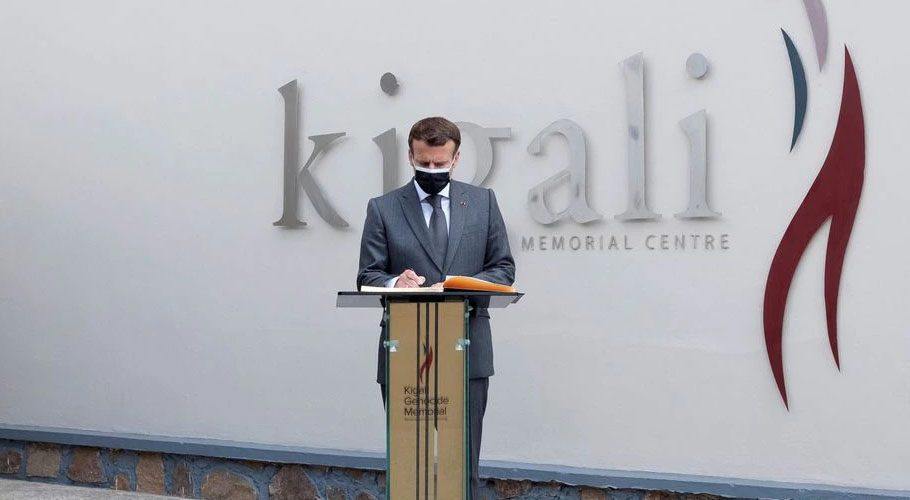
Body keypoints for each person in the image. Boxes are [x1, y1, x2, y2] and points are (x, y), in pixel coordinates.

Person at [356, 116, 515, 498]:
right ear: (410, 155)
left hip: (468, 347)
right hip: (405, 350)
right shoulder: (383, 208)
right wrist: (396, 282)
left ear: (456, 158)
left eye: (440, 164)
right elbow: (368, 273)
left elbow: (504, 268)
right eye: (424, 163)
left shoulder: (482, 203)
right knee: (413, 467)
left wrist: (465, 284)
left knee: (462, 466)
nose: (432, 170)